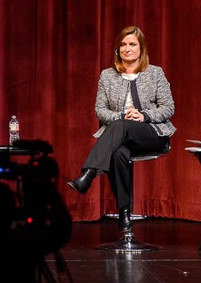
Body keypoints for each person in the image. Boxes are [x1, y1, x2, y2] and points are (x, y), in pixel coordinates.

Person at [67, 25, 176, 229]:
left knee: (121, 126)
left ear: (141, 48)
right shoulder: (107, 76)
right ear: (117, 49)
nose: (127, 49)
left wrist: (143, 115)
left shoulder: (155, 73)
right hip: (119, 136)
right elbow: (100, 109)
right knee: (117, 153)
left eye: (132, 44)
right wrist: (121, 116)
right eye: (123, 45)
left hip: (151, 133)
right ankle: (124, 212)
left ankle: (89, 174)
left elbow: (168, 108)